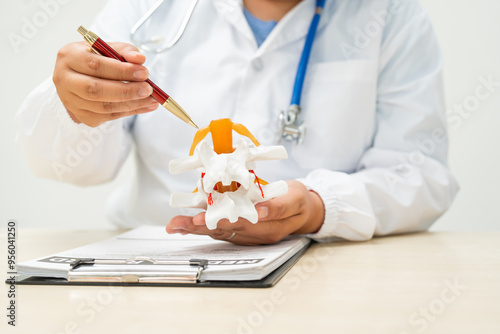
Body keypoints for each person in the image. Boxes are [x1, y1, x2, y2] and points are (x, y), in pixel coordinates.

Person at [16, 0, 458, 245]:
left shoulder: (392, 15)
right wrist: (74, 102)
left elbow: (420, 173)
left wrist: (319, 207)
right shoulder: (143, 8)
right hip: (159, 259)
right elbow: (69, 168)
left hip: (324, 265)